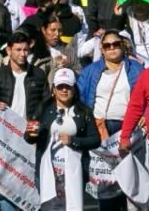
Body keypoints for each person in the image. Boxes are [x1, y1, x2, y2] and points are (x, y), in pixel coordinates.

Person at [31, 68, 101, 211]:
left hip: (75, 171)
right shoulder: (43, 108)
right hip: (46, 171)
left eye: (68, 87)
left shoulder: (84, 112)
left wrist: (73, 141)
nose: (64, 90)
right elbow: (30, 137)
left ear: (74, 89)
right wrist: (31, 134)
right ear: (54, 89)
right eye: (60, 87)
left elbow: (95, 140)